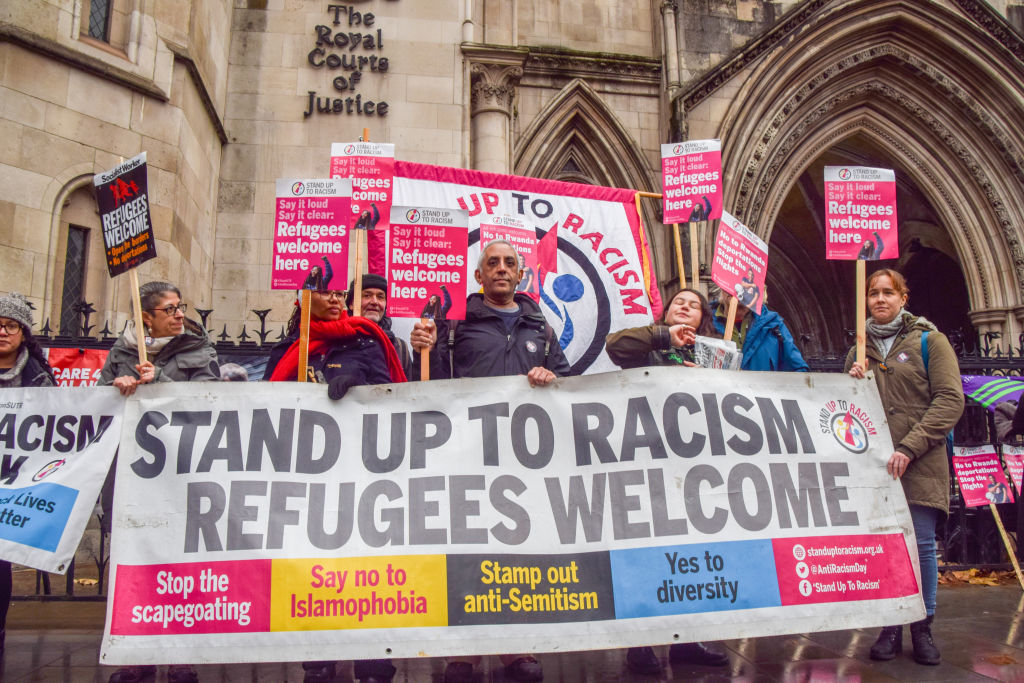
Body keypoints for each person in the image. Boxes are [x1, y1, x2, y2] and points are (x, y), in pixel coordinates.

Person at [411, 239, 570, 683]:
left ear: (521, 275)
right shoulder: (454, 325)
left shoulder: (540, 325)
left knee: (516, 550)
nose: (501, 269)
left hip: (524, 462)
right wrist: (421, 349)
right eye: (492, 263)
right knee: (465, 549)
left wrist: (551, 377)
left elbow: (569, 382)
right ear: (478, 276)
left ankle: (513, 646)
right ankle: (461, 651)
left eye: (510, 263)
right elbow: (430, 387)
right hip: (466, 456)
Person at [266, 286, 405, 683]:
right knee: (316, 571)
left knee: (369, 571)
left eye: (339, 295)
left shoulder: (365, 343)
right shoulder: (290, 349)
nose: (336, 300)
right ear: (304, 301)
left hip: (360, 475)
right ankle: (319, 657)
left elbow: (391, 400)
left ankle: (374, 660)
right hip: (308, 478)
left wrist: (356, 392)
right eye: (325, 294)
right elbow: (265, 402)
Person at [605, 288, 731, 674]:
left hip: (692, 467)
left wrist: (708, 381)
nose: (685, 307)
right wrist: (664, 336)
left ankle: (686, 642)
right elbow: (614, 346)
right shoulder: (648, 343)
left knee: (687, 558)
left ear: (703, 318)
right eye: (679, 302)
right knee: (644, 553)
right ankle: (640, 645)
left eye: (694, 305)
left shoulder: (715, 354)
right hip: (646, 460)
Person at [100, 281, 220, 683]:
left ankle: (181, 657)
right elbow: (100, 406)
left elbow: (211, 401)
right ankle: (138, 655)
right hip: (135, 477)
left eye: (180, 306)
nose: (179, 314)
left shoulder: (198, 349)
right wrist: (118, 389)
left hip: (183, 474)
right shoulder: (121, 352)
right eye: (169, 309)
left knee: (183, 562)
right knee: (137, 562)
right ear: (145, 316)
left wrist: (162, 384)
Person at [846, 268, 963, 666]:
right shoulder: (858, 350)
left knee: (922, 546)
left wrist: (910, 447)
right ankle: (890, 625)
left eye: (887, 293)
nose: (880, 299)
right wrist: (852, 383)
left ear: (902, 298)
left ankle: (922, 627)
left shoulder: (931, 341)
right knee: (885, 546)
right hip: (875, 468)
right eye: (873, 293)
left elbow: (950, 400)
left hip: (921, 463)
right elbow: (845, 414)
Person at [0, 293, 55, 661]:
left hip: (14, 482)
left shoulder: (39, 376)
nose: (2, 332)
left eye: (10, 325)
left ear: (23, 332)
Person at [712, 290, 809, 372]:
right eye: (731, 281)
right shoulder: (705, 321)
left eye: (745, 283)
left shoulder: (774, 325)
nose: (737, 288)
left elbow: (798, 371)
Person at [345, 274, 412, 380]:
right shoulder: (337, 340)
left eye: (380, 297)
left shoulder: (399, 347)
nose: (374, 302)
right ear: (351, 304)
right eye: (367, 295)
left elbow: (413, 390)